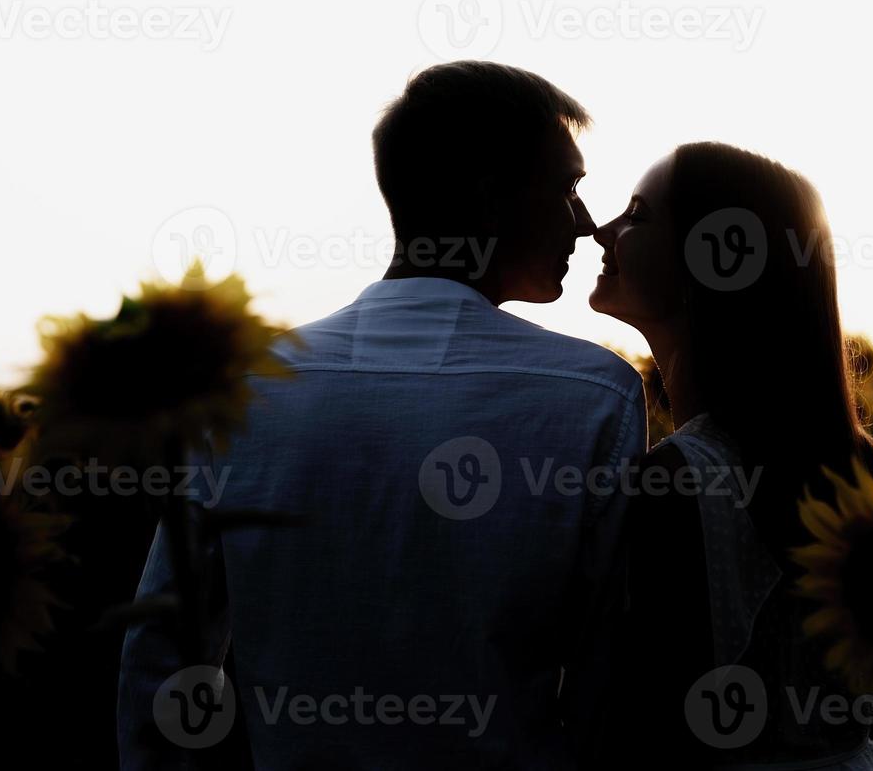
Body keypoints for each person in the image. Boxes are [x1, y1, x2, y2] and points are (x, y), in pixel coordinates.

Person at [116, 61, 647, 769]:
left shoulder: (242, 387)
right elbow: (603, 681)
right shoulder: (592, 395)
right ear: (491, 200)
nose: (583, 225)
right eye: (566, 189)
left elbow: (165, 655)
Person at [589, 142, 873, 769]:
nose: (603, 230)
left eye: (638, 215)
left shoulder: (675, 482)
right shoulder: (853, 458)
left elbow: (641, 729)